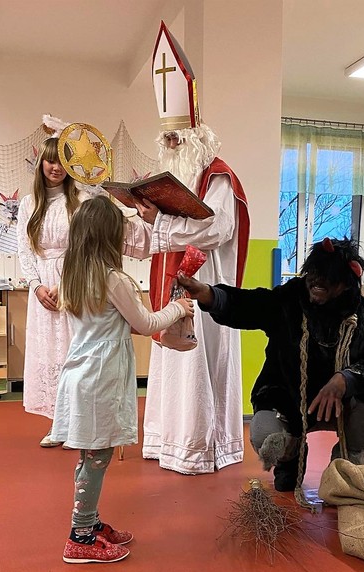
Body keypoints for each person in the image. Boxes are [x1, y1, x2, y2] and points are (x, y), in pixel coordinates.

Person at [124, 20, 250, 475]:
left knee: (200, 363)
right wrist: (125, 224)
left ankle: (202, 448)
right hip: (168, 286)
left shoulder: (219, 176)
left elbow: (214, 230)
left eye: (178, 137)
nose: (173, 144)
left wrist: (158, 223)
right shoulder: (167, 182)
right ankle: (168, 442)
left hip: (208, 289)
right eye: (168, 139)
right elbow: (156, 238)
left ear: (198, 135)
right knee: (172, 363)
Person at [178, 237, 364, 493]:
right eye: (313, 274)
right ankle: (291, 455)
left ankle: (348, 464)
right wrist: (207, 294)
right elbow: (250, 304)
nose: (316, 282)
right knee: (265, 435)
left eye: (327, 278)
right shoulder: (290, 300)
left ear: (345, 285)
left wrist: (347, 379)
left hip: (344, 405)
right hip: (287, 399)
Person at [49, 196, 194, 564]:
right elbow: (144, 324)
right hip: (101, 377)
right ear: (109, 236)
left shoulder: (74, 274)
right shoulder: (113, 278)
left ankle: (89, 522)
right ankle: (80, 536)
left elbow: (113, 322)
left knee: (90, 455)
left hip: (81, 374)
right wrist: (178, 307)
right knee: (97, 457)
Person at [16, 136, 89, 447]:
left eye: (62, 162)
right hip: (42, 287)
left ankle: (79, 424)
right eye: (51, 160)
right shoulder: (29, 203)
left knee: (75, 352)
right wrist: (36, 286)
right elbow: (24, 249)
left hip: (73, 283)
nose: (56, 167)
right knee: (48, 353)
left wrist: (65, 284)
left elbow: (84, 248)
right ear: (41, 163)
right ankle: (57, 424)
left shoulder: (81, 200)